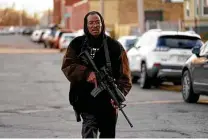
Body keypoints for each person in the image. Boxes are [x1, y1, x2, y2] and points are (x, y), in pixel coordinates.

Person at [61, 11, 132, 138]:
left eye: (97, 22)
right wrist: (86, 73)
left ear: (102, 24)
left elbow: (125, 77)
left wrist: (118, 95)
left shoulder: (115, 47)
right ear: (86, 25)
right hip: (85, 101)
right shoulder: (77, 44)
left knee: (108, 135)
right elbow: (67, 66)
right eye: (91, 23)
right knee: (89, 132)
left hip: (108, 103)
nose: (94, 26)